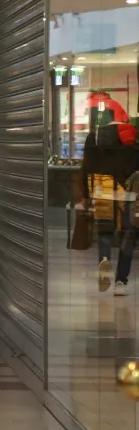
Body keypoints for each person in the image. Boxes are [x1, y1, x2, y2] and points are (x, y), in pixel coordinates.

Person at [81, 110, 139, 294]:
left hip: (103, 190)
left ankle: (104, 259)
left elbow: (86, 167)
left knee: (105, 232)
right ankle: (121, 282)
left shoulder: (94, 138)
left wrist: (85, 194)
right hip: (127, 195)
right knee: (128, 237)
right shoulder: (133, 139)